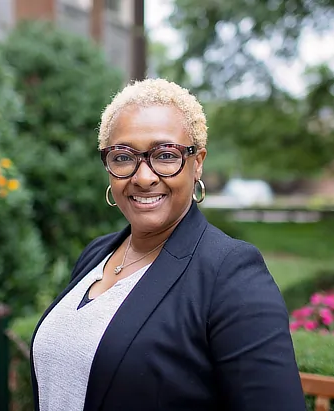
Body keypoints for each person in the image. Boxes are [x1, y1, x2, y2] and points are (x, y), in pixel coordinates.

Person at [30, 78, 306, 411]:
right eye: (123, 157)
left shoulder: (230, 274)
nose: (143, 177)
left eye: (164, 155)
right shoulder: (96, 254)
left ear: (197, 161)